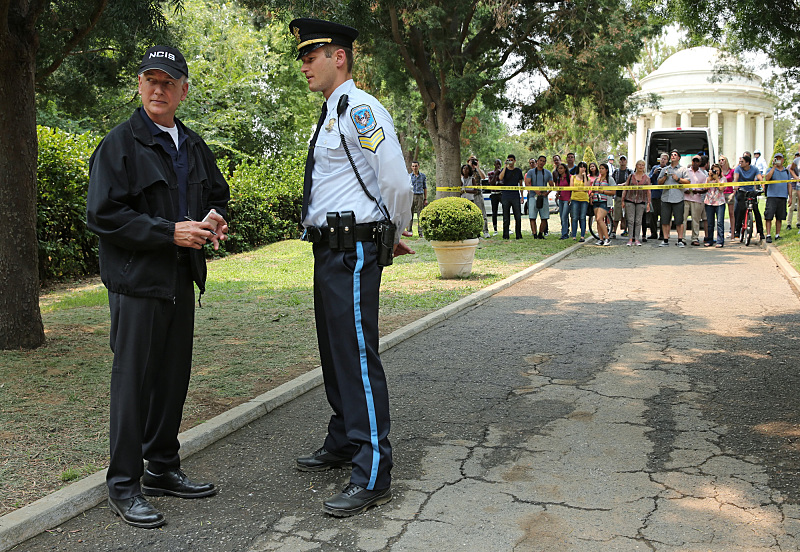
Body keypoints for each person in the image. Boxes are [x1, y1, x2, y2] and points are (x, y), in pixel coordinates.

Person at [86, 45, 229, 529]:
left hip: (180, 281)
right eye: (150, 80)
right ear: (139, 86)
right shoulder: (119, 144)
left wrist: (214, 220)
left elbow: (217, 193)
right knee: (133, 387)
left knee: (171, 381)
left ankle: (162, 468)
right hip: (136, 285)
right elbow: (102, 215)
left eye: (168, 82)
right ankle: (124, 486)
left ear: (183, 91)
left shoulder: (191, 144)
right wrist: (168, 232)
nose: (158, 89)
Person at [290, 17, 413, 517]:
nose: (304, 65)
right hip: (330, 249)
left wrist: (394, 231)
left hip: (354, 249)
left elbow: (397, 182)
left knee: (358, 356)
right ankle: (344, 438)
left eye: (311, 56)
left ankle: (374, 470)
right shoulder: (332, 111)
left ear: (338, 56)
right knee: (335, 349)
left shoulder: (360, 110)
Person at [658, 149, 689, 247]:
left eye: (675, 155)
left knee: (679, 221)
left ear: (679, 158)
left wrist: (678, 179)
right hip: (666, 198)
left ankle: (680, 240)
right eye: (672, 155)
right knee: (665, 220)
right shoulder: (665, 169)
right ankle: (665, 240)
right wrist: (665, 177)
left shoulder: (683, 170)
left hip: (678, 198)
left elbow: (688, 182)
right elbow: (659, 182)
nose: (673, 156)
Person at [733, 153, 764, 241]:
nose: (740, 163)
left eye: (742, 162)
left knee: (756, 211)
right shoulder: (738, 168)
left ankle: (761, 233)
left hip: (751, 191)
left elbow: (759, 177)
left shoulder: (754, 169)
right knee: (741, 209)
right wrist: (735, 185)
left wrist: (763, 186)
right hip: (741, 191)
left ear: (747, 163)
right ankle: (737, 230)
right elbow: (736, 177)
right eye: (740, 162)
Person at [763, 152, 792, 243]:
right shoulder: (771, 170)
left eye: (780, 158)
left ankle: (777, 234)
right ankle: (768, 234)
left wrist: (790, 197)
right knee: (769, 216)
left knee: (780, 217)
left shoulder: (786, 171)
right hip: (772, 196)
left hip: (782, 196)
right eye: (777, 158)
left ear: (783, 160)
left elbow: (789, 184)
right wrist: (774, 167)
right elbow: (767, 178)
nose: (779, 160)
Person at [622, 160, 651, 246]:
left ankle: (637, 239)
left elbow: (648, 191)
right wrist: (623, 200)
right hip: (630, 200)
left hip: (641, 201)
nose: (641, 166)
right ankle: (630, 239)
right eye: (639, 165)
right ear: (636, 166)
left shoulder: (646, 178)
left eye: (643, 165)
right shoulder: (631, 176)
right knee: (630, 220)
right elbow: (625, 188)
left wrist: (648, 203)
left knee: (638, 221)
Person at [497, 154, 525, 239]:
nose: (510, 162)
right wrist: (505, 166)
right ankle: (505, 235)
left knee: (518, 216)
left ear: (515, 161)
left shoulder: (518, 171)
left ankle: (518, 235)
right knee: (506, 217)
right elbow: (500, 178)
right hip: (505, 195)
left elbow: (520, 184)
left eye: (512, 160)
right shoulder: (504, 170)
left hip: (515, 196)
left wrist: (522, 196)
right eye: (509, 160)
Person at [525, 155, 553, 238]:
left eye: (544, 161)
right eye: (540, 160)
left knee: (544, 217)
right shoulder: (531, 172)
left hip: (543, 197)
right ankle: (534, 234)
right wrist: (535, 190)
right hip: (533, 196)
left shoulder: (548, 172)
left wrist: (547, 193)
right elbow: (527, 183)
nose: (542, 162)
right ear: (537, 161)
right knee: (532, 216)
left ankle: (541, 233)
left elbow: (552, 185)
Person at [683, 155, 708, 246]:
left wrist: (697, 191)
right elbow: (681, 183)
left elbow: (705, 188)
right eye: (694, 161)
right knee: (683, 219)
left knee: (695, 219)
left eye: (697, 161)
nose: (695, 163)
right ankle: (682, 238)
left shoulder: (702, 175)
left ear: (700, 163)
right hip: (685, 197)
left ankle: (695, 238)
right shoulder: (686, 171)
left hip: (696, 199)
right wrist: (685, 190)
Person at [704, 163, 727, 247]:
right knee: (710, 223)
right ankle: (710, 240)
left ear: (720, 171)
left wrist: (717, 179)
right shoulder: (708, 179)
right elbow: (705, 188)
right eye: (714, 170)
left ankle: (720, 241)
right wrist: (709, 179)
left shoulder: (723, 179)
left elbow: (721, 189)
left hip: (719, 202)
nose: (715, 172)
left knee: (720, 222)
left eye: (717, 170)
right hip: (709, 202)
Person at [467, 155, 490, 238]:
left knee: (482, 213)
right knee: (471, 215)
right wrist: (469, 167)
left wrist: (477, 167)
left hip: (478, 194)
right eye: (471, 160)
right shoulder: (466, 170)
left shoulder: (478, 171)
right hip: (469, 194)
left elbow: (483, 177)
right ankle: (475, 233)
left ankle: (485, 231)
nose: (473, 162)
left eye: (474, 160)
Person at [647, 153, 669, 241]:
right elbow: (649, 180)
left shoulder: (668, 169)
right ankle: (653, 233)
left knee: (664, 216)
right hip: (654, 195)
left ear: (667, 161)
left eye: (665, 159)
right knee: (653, 215)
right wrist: (654, 173)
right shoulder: (654, 168)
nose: (663, 160)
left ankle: (663, 234)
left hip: (664, 195)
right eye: (662, 159)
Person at [591, 162, 613, 245]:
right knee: (598, 221)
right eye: (600, 168)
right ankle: (601, 239)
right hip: (596, 201)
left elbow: (613, 191)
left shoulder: (609, 179)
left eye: (603, 168)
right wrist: (591, 196)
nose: (601, 170)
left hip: (605, 201)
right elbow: (593, 190)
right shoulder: (597, 179)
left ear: (606, 170)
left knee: (599, 218)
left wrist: (603, 191)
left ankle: (607, 238)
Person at [610, 155, 632, 239]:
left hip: (628, 197)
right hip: (618, 196)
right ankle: (613, 231)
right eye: (621, 160)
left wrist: (622, 185)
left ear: (626, 162)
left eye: (624, 160)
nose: (622, 162)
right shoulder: (616, 172)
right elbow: (612, 182)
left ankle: (628, 232)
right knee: (616, 215)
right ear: (619, 162)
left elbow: (631, 181)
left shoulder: (630, 171)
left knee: (628, 215)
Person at [569, 161, 590, 242]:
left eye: (584, 167)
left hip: (584, 199)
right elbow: (572, 188)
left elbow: (586, 189)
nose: (583, 169)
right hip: (575, 199)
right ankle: (574, 235)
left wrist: (584, 177)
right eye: (581, 167)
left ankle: (582, 236)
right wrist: (579, 190)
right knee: (574, 217)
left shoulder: (587, 179)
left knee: (582, 217)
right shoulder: (573, 177)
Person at [408, 161, 427, 237]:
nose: (414, 168)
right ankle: (409, 231)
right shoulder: (409, 176)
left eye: (416, 166)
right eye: (413, 166)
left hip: (420, 196)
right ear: (411, 167)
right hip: (411, 196)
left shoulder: (422, 176)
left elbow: (425, 188)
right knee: (410, 214)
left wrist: (425, 198)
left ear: (418, 166)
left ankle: (420, 232)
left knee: (420, 214)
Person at [719, 155, 736, 238]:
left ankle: (732, 233)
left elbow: (735, 181)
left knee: (731, 213)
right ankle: (720, 234)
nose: (721, 161)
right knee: (720, 214)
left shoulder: (731, 171)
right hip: (720, 193)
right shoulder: (719, 171)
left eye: (722, 160)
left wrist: (734, 191)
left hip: (729, 193)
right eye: (719, 160)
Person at [554, 162, 571, 239]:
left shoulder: (570, 177)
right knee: (562, 216)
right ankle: (565, 231)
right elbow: (558, 189)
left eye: (561, 168)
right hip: (561, 199)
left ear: (565, 169)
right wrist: (557, 195)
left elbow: (572, 188)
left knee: (564, 216)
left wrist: (571, 198)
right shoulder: (558, 178)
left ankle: (564, 234)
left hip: (567, 199)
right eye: (558, 168)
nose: (559, 170)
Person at [487, 159, 503, 234]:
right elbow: (492, 183)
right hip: (494, 194)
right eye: (497, 164)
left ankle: (507, 227)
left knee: (505, 210)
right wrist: (496, 174)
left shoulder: (503, 173)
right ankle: (495, 229)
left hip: (501, 194)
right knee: (494, 212)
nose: (498, 165)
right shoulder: (490, 173)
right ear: (494, 165)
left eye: (500, 164)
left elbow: (503, 184)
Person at [787, 154, 800, 230]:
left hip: (798, 187)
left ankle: (798, 222)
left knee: (799, 206)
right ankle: (789, 223)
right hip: (793, 188)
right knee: (791, 207)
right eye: (796, 156)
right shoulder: (790, 167)